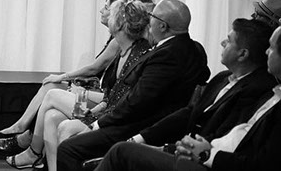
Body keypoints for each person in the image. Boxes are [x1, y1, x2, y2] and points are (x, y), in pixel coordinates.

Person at [95, 24, 281, 171]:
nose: (222, 43)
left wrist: (203, 154)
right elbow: (190, 112)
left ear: (243, 54)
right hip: (192, 148)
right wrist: (149, 141)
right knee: (120, 149)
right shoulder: (223, 78)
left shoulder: (258, 88)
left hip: (208, 160)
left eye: (272, 48)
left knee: (120, 152)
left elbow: (252, 153)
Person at [55, 0, 210, 171]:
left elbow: (138, 100)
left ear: (162, 26)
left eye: (152, 16)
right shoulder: (195, 49)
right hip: (154, 123)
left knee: (68, 149)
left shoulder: (167, 54)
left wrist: (98, 124)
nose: (148, 21)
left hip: (138, 128)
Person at [2, 0, 151, 170]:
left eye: (111, 14)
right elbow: (111, 96)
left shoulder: (138, 54)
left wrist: (94, 118)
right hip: (105, 111)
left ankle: (33, 151)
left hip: (115, 122)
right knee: (51, 116)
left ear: (119, 24)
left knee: (57, 108)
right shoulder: (124, 51)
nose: (106, 15)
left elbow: (124, 103)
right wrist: (93, 111)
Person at [0, 0, 125, 143]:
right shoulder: (114, 39)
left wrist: (64, 77)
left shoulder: (118, 41)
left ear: (116, 14)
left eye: (106, 8)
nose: (101, 11)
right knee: (51, 93)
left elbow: (94, 68)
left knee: (52, 94)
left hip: (102, 98)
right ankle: (23, 130)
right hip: (97, 93)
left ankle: (28, 141)